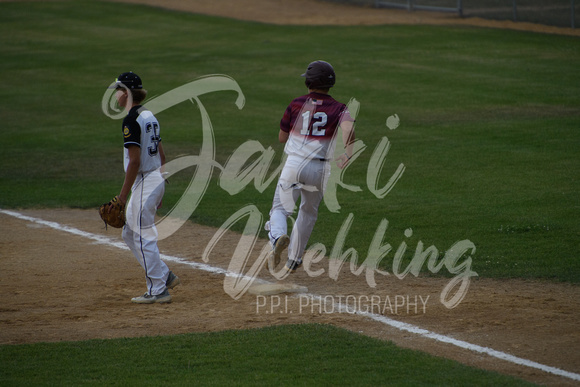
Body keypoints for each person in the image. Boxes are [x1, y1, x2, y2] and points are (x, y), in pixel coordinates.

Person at [266, 60, 356, 274]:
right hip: (320, 170)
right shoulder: (340, 108)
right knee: (308, 212)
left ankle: (278, 236)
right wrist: (347, 154)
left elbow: (281, 137)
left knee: (280, 209)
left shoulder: (296, 103)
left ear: (308, 81)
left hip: (294, 164)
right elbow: (349, 131)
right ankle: (294, 259)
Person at [108, 72, 180, 304]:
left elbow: (135, 161)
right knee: (130, 233)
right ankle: (164, 274)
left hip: (146, 179)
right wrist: (161, 181)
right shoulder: (149, 115)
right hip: (154, 178)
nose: (116, 95)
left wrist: (121, 196)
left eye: (119, 90)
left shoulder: (131, 120)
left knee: (141, 235)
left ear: (127, 93)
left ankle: (157, 290)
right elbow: (161, 151)